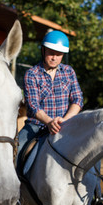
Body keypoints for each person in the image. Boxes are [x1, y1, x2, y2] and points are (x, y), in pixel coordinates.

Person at [17, 30, 83, 162]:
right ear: (43, 50)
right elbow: (33, 105)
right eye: (51, 53)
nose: (54, 57)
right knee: (16, 151)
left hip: (64, 124)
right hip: (36, 126)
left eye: (59, 54)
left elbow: (78, 99)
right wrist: (49, 122)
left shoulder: (69, 72)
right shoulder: (32, 74)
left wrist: (65, 120)